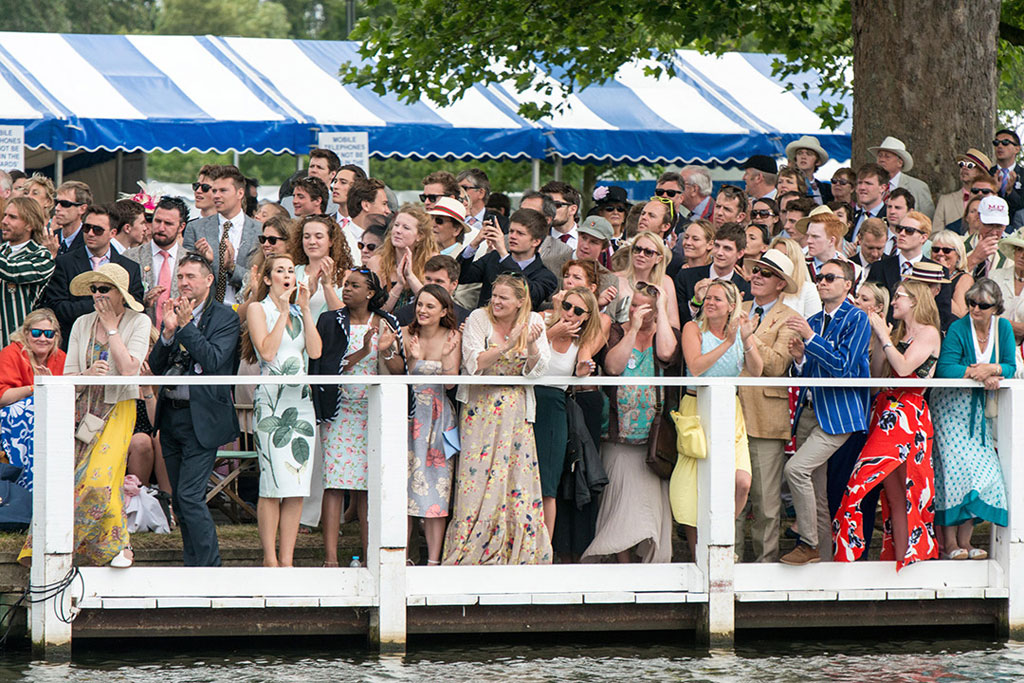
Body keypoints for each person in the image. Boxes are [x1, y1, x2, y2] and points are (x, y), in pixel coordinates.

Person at [20, 264, 151, 568]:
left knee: (99, 478)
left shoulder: (139, 321)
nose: (97, 295)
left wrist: (112, 328)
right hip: (82, 410)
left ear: (120, 293)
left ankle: (64, 544)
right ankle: (118, 547)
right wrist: (89, 373)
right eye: (94, 289)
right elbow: (69, 376)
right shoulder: (81, 323)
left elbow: (130, 369)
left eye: (103, 289)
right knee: (76, 477)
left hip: (118, 407)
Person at [443, 274, 552, 565]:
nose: (497, 302)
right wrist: (507, 345)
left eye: (504, 297)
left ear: (520, 301)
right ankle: (471, 550)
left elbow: (538, 371)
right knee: (476, 478)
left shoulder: (534, 321)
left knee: (516, 480)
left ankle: (517, 552)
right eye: (495, 295)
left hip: (516, 411)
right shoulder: (479, 318)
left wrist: (528, 345)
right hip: (480, 408)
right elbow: (473, 363)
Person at [834, 280, 942, 569]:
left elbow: (905, 368)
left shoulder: (929, 333)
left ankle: (909, 561)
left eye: (899, 296)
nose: (894, 301)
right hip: (886, 412)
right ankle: (873, 557)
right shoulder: (899, 332)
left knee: (908, 494)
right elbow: (878, 375)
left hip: (909, 414)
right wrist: (880, 338)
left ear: (915, 300)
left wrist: (883, 336)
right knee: (889, 494)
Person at [150, 253, 241, 567]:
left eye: (190, 277)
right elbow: (156, 366)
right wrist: (168, 333)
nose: (184, 283)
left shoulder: (226, 317)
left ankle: (210, 570)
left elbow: (214, 361)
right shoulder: (174, 312)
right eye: (180, 277)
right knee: (179, 498)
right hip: (171, 413)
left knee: (190, 496)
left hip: (203, 418)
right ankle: (193, 566)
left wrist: (187, 327)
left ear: (209, 280)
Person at [780, 259, 871, 565]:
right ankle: (825, 562)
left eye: (830, 277)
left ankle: (808, 543)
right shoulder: (815, 319)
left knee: (796, 470)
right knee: (817, 495)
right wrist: (800, 360)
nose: (822, 282)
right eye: (819, 277)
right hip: (809, 411)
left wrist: (810, 339)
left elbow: (844, 368)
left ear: (848, 285)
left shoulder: (857, 318)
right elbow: (812, 371)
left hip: (839, 415)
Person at [582, 282, 677, 563]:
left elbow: (667, 354)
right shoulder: (616, 332)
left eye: (642, 305)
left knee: (647, 508)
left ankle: (647, 564)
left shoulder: (667, 334)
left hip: (653, 438)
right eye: (633, 304)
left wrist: (661, 310)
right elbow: (612, 367)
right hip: (617, 433)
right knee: (617, 507)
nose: (636, 309)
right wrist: (633, 329)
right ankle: (622, 563)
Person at [312, 267, 401, 566]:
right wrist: (364, 351)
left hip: (374, 412)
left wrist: (385, 352)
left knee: (367, 487)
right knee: (335, 483)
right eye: (345, 284)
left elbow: (400, 369)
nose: (346, 289)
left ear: (371, 293)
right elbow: (326, 365)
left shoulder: (388, 322)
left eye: (354, 285)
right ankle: (330, 560)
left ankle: (369, 558)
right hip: (341, 411)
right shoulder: (330, 320)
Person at [242, 254, 322, 567]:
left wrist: (303, 308)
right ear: (267, 278)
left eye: (291, 270)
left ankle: (288, 559)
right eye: (280, 271)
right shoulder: (257, 309)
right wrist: (283, 311)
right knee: (272, 482)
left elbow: (315, 352)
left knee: (297, 485)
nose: (287, 275)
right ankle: (270, 558)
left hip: (300, 402)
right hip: (271, 402)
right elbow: (267, 350)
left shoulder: (301, 314)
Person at [673, 279, 759, 556]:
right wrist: (729, 342)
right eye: (707, 298)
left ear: (731, 306)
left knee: (742, 481)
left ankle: (720, 535)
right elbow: (696, 367)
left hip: (730, 410)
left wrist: (745, 339)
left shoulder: (739, 331)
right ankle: (702, 551)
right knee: (694, 487)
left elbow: (757, 371)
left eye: (717, 299)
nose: (709, 302)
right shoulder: (692, 328)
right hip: (697, 408)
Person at [932, 278, 1013, 560]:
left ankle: (966, 543)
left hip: (979, 413)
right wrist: (974, 372)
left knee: (983, 474)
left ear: (995, 307)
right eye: (971, 303)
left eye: (983, 305)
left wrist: (993, 368)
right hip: (951, 408)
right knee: (954, 474)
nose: (976, 309)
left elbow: (1011, 366)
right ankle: (951, 544)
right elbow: (945, 369)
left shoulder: (1002, 328)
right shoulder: (957, 328)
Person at [734, 250, 799, 562]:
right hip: (730, 412)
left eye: (766, 273)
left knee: (767, 503)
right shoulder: (738, 307)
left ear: (780, 285)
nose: (757, 276)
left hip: (766, 416)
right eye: (756, 270)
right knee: (730, 497)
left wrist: (747, 335)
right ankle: (727, 562)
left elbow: (776, 365)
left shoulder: (789, 318)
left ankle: (765, 566)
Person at [535, 285, 605, 537]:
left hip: (554, 406)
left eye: (577, 310)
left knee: (548, 483)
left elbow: (581, 365)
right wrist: (554, 330)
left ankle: (544, 548)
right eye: (566, 305)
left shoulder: (582, 339)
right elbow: (525, 349)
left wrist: (584, 369)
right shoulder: (542, 320)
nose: (570, 313)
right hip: (526, 400)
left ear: (586, 316)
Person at [400, 284, 461, 565]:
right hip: (409, 415)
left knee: (437, 487)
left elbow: (450, 382)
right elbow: (400, 377)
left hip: (438, 418)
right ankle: (400, 558)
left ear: (444, 311)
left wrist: (447, 354)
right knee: (404, 488)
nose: (422, 311)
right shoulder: (406, 332)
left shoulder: (452, 336)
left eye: (430, 306)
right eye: (420, 305)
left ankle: (434, 561)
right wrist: (412, 357)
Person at [37, 203, 145, 349]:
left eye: (98, 230)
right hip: (74, 344)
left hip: (118, 343)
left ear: (113, 233)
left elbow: (135, 306)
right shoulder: (64, 262)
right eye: (86, 228)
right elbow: (58, 307)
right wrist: (101, 305)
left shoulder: (129, 267)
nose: (91, 233)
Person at [0, 309, 65, 491]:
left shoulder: (60, 357)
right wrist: (37, 387)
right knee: (30, 407)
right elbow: (3, 398)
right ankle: (27, 485)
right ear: (26, 333)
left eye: (49, 334)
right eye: (37, 333)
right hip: (11, 421)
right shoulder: (11, 353)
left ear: (56, 336)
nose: (43, 338)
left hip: (51, 422)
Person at [182, 165, 261, 305]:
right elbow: (186, 274)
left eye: (223, 190)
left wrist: (232, 267)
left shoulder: (259, 231)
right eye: (214, 191)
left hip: (246, 311)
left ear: (240, 193)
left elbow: (260, 279)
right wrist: (206, 262)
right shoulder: (195, 228)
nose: (216, 195)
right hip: (206, 311)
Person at [457, 208, 558, 311]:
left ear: (535, 242)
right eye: (511, 231)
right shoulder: (494, 257)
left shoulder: (547, 277)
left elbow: (529, 294)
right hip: (484, 322)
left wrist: (504, 254)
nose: (512, 236)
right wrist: (474, 244)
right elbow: (460, 277)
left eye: (520, 233)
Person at [124, 196, 189, 329]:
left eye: (168, 223)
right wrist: (144, 302)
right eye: (157, 221)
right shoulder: (130, 257)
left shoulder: (191, 260)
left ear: (181, 227)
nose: (161, 228)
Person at [0, 197, 55, 347]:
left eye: (12, 217)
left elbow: (12, 271)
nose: (4, 221)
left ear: (29, 224)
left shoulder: (42, 256)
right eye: (5, 215)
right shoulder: (2, 252)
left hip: (18, 349)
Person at [674, 222, 751, 326]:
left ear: (740, 253)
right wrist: (695, 302)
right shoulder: (685, 277)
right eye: (717, 246)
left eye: (727, 248)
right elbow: (677, 321)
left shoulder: (745, 289)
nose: (719, 252)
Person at [376, 205, 438, 313]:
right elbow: (378, 311)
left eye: (406, 227)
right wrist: (399, 284)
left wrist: (410, 276)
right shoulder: (377, 262)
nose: (398, 231)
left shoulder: (432, 261)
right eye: (396, 225)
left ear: (420, 236)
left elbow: (433, 304)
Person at [290, 214, 353, 320]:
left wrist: (327, 285)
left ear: (331, 241)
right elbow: (287, 314)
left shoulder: (346, 276)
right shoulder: (293, 272)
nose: (312, 242)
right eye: (306, 237)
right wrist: (309, 293)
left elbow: (344, 317)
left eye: (318, 237)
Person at [394, 255, 471, 327]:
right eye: (428, 279)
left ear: (454, 284)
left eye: (439, 281)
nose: (431, 285)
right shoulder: (404, 315)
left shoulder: (465, 320)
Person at [870, 136, 935, 218]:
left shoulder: (918, 187)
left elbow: (927, 219)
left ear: (900, 163)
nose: (882, 159)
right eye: (880, 156)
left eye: (887, 156)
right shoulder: (870, 185)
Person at [933, 149, 993, 233]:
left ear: (981, 173)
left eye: (970, 165)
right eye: (961, 164)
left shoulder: (992, 202)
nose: (964, 167)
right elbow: (934, 234)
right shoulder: (945, 200)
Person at [770, 237, 821, 318]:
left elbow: (814, 324)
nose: (778, 259)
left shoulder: (808, 290)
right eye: (775, 254)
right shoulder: (764, 286)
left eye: (784, 256)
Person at [992, 227, 1024, 340]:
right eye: (1019, 249)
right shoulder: (994, 277)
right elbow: (984, 314)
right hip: (996, 344)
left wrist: (1000, 324)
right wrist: (1015, 328)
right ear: (1014, 251)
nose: (1022, 256)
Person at [786, 135, 833, 204]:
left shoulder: (826, 189)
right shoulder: (787, 184)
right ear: (795, 159)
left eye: (809, 154)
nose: (803, 156)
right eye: (800, 153)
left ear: (818, 161)